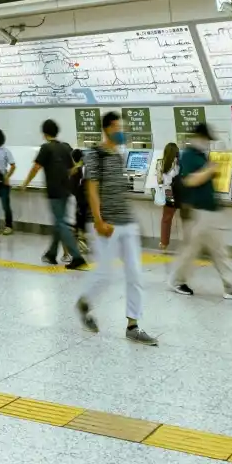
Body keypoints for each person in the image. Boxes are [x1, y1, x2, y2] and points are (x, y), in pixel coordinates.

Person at [77, 112, 157, 344]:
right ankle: (85, 303)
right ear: (108, 128)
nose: (122, 131)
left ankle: (133, 324)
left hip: (126, 222)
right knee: (105, 274)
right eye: (118, 127)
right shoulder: (95, 154)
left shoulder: (119, 155)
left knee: (135, 273)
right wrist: (99, 220)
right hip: (106, 224)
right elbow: (91, 188)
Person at [169, 121, 232, 301]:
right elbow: (189, 181)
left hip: (209, 211)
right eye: (206, 139)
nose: (207, 142)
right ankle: (178, 281)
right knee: (193, 251)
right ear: (198, 137)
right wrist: (210, 170)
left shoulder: (200, 155)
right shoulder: (189, 155)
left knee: (215, 251)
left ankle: (230, 287)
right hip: (198, 213)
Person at [22, 119, 87, 270]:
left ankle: (77, 257)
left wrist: (25, 183)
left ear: (44, 134)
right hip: (66, 190)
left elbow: (36, 168)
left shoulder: (46, 148)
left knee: (61, 223)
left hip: (54, 191)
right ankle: (51, 254)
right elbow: (74, 168)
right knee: (60, 222)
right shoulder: (65, 147)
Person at [150, 141, 181, 249]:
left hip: (168, 192)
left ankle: (164, 243)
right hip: (179, 192)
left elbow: (159, 180)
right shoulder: (178, 163)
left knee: (166, 218)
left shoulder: (161, 163)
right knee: (187, 217)